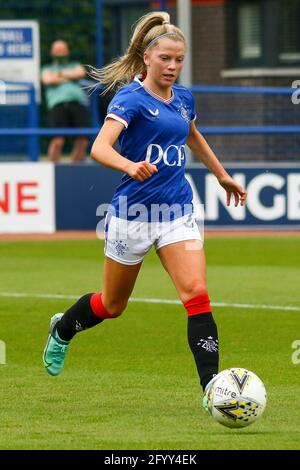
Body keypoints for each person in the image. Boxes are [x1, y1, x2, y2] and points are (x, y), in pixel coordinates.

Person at [42, 12, 247, 411]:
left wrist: (222, 175)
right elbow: (101, 147)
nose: (172, 66)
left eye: (179, 60)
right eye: (166, 59)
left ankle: (211, 390)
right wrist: (128, 165)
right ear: (147, 57)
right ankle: (63, 329)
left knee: (197, 294)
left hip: (178, 211)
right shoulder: (130, 99)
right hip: (132, 216)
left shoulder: (183, 97)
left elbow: (191, 135)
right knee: (111, 306)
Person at [41, 40, 90, 163]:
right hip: (57, 106)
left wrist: (59, 75)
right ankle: (54, 169)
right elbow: (48, 80)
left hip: (78, 104)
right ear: (52, 52)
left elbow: (80, 73)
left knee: (82, 140)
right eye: (57, 50)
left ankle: (74, 170)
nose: (60, 53)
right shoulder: (47, 68)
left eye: (62, 50)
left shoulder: (75, 65)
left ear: (67, 51)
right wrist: (70, 77)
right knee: (57, 141)